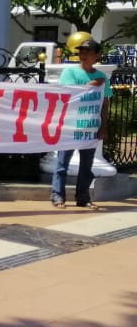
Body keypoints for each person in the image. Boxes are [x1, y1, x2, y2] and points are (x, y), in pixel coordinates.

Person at [51, 37, 112, 210]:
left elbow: (104, 103)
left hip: (90, 127)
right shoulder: (69, 73)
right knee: (62, 164)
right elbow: (69, 95)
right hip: (70, 126)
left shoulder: (101, 77)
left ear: (97, 56)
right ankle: (57, 196)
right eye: (81, 52)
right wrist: (90, 85)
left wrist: (103, 126)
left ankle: (83, 198)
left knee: (87, 166)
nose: (83, 55)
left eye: (88, 52)